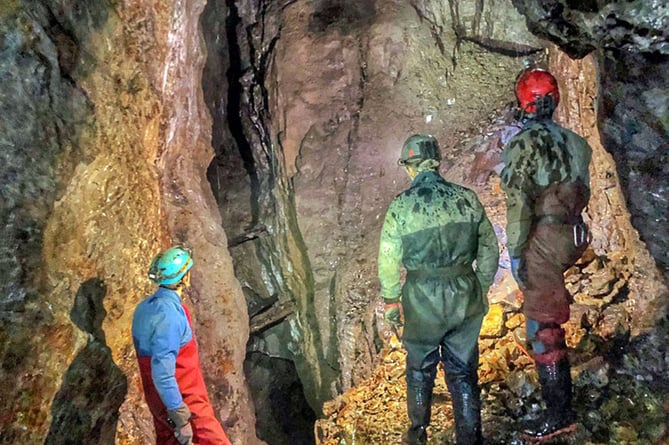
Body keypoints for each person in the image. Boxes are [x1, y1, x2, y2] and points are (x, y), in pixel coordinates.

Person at [378, 134, 499, 445]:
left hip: (422, 298)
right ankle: (470, 439)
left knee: (420, 369)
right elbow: (489, 249)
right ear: (437, 162)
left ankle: (417, 437)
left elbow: (389, 258)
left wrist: (391, 300)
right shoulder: (467, 198)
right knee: (462, 373)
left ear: (410, 167)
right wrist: (480, 287)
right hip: (464, 292)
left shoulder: (401, 207)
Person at [500, 68, 592, 440]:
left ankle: (559, 413)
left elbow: (519, 204)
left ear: (524, 103)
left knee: (541, 325)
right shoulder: (576, 142)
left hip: (544, 235)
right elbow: (580, 192)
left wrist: (518, 251)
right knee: (549, 307)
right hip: (573, 232)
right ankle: (560, 403)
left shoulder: (523, 144)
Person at [132, 246, 232, 445]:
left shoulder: (144, 309)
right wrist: (181, 417)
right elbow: (163, 372)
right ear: (184, 277)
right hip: (183, 398)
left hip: (157, 398)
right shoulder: (170, 317)